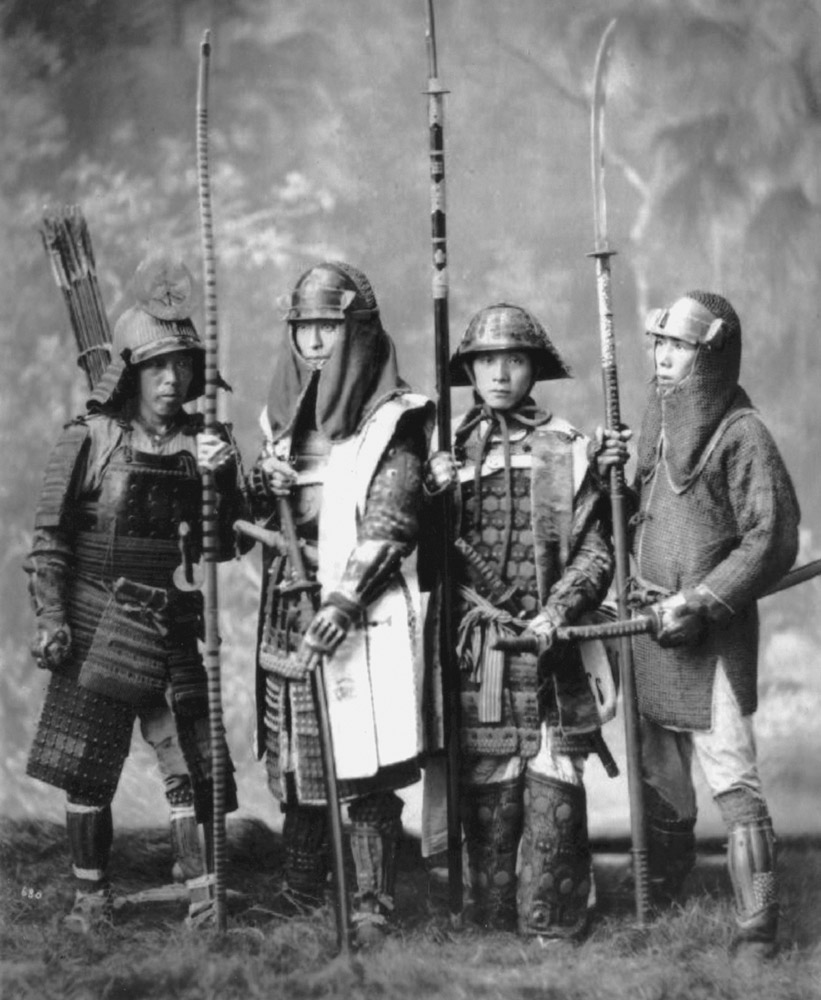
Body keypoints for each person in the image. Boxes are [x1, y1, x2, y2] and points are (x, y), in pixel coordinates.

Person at [25, 254, 250, 932]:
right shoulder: (89, 437)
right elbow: (49, 540)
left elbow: (226, 546)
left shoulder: (206, 444)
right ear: (130, 371)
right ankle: (90, 899)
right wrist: (52, 619)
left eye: (181, 365)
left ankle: (204, 899)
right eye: (157, 366)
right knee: (88, 769)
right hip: (95, 618)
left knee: (193, 767)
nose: (171, 379)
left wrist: (223, 484)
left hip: (170, 622)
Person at [599, 290, 800, 958]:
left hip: (707, 638)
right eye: (657, 344)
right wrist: (612, 482)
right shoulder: (659, 415)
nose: (660, 357)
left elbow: (770, 539)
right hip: (646, 625)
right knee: (659, 773)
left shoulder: (742, 435)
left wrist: (705, 599)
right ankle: (664, 879)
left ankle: (755, 925)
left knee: (731, 779)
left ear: (710, 354)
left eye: (676, 346)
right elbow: (637, 515)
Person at [246, 260, 434, 946]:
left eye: (328, 325)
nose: (314, 341)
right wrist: (249, 477)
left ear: (357, 329)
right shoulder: (279, 418)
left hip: (360, 612)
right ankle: (300, 886)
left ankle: (372, 901)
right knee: (297, 756)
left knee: (361, 761)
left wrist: (344, 600)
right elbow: (244, 525)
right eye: (303, 328)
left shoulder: (396, 419)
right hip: (287, 604)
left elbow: (391, 522)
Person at [423, 303, 617, 939]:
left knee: (555, 777)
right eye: (485, 360)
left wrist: (558, 612)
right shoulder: (448, 452)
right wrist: (434, 498)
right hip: (481, 651)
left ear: (535, 366)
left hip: (554, 648)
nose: (499, 373)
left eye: (513, 359)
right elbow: (426, 561)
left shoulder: (567, 447)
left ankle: (555, 917)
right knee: (489, 787)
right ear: (469, 369)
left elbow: (595, 550)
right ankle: (492, 912)